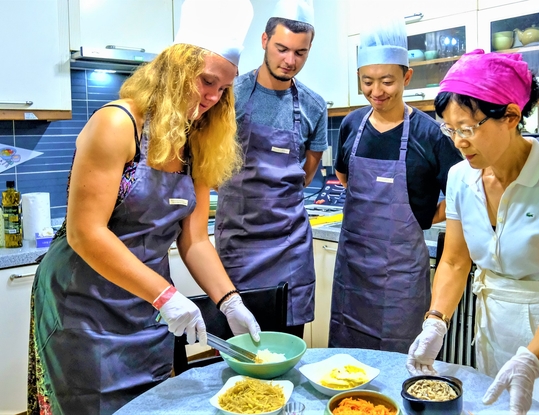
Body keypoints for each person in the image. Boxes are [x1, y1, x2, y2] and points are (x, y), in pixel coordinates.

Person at [27, 1, 261, 413]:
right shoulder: (118, 125)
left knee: (151, 403)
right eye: (206, 81)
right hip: (84, 303)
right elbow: (86, 233)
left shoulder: (197, 140)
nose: (213, 97)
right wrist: (166, 295)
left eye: (223, 88)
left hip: (147, 303)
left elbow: (194, 240)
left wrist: (229, 301)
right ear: (174, 67)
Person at [405, 49, 539, 414]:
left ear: (511, 117)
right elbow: (454, 262)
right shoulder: (460, 178)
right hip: (497, 331)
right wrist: (435, 322)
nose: (458, 142)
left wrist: (533, 359)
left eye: (468, 129)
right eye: (450, 129)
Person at [328, 15, 462, 353]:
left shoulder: (429, 133)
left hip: (401, 277)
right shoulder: (351, 124)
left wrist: (425, 217)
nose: (376, 92)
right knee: (346, 361)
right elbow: (344, 176)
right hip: (353, 273)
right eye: (367, 81)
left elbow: (463, 194)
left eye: (387, 81)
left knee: (400, 362)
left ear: (407, 76)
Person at [215, 0, 327, 339]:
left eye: (300, 53)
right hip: (239, 245)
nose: (290, 61)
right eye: (282, 49)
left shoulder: (314, 105)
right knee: (238, 351)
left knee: (287, 345)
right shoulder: (229, 95)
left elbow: (307, 172)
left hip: (289, 246)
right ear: (264, 40)